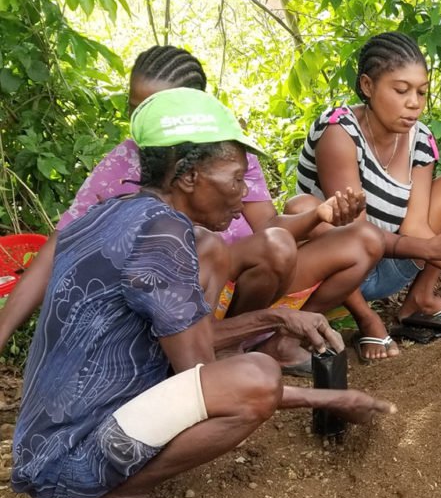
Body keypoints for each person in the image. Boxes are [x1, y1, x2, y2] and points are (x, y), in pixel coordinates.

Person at [10, 88, 394, 498]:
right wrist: (329, 397)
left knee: (213, 257)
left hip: (45, 444)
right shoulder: (161, 236)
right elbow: (200, 377)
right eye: (234, 179)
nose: (243, 195)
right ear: (189, 176)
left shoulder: (116, 212)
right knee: (255, 377)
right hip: (68, 466)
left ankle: (107, 483)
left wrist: (276, 317)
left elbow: (190, 345)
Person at [0, 45, 384, 373]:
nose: (141, 122)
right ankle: (207, 357)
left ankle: (246, 346)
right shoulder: (123, 162)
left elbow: (267, 227)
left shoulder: (228, 154)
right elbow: (61, 245)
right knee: (208, 250)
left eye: (156, 108)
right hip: (164, 299)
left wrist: (318, 216)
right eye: (135, 108)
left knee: (321, 243)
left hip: (234, 291)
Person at [296, 31, 441, 360]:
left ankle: (420, 300)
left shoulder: (421, 139)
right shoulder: (339, 132)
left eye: (421, 92)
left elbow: (415, 226)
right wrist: (371, 321)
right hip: (337, 272)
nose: (414, 103)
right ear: (368, 86)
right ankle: (365, 317)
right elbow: (354, 237)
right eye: (401, 90)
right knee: (309, 210)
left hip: (391, 261)